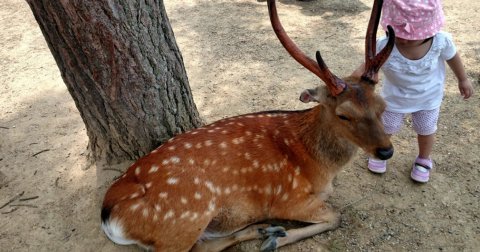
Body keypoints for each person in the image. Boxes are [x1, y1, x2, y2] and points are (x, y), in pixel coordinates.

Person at [354, 0, 474, 183]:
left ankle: (424, 159)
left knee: (426, 129)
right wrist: (352, 82)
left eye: (410, 36)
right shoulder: (384, 45)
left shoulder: (440, 41)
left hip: (428, 98)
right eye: (396, 33)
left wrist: (463, 79)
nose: (402, 39)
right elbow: (365, 67)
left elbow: (453, 58)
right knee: (386, 127)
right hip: (394, 99)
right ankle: (379, 151)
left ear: (428, 31)